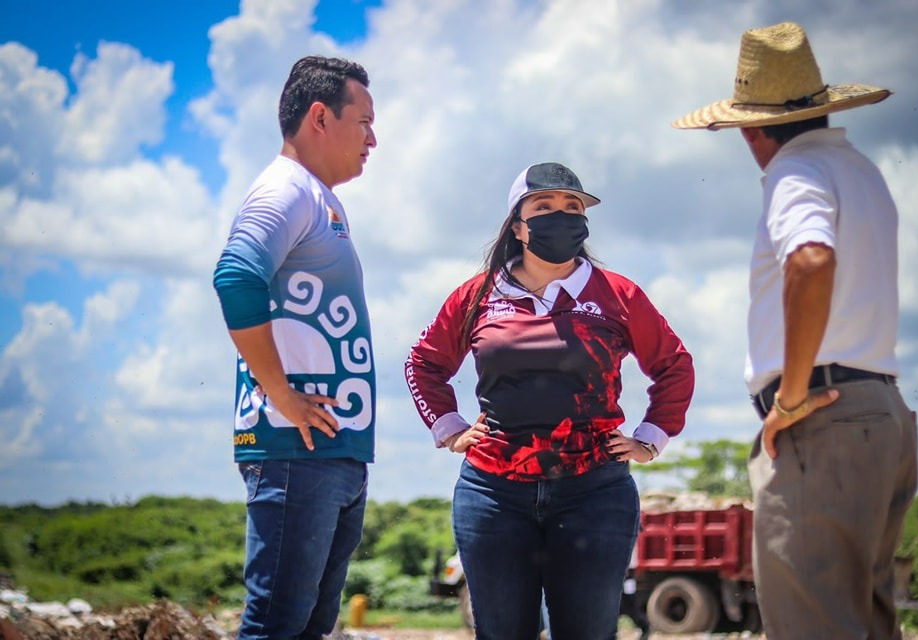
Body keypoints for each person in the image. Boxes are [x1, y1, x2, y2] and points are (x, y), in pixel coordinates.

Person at [673, 22, 918, 640]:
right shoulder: (859, 170)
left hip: (822, 417)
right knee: (866, 617)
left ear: (751, 129)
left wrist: (789, 398)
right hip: (882, 409)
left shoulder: (796, 172)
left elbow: (811, 259)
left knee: (812, 623)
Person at [404, 162, 694, 640]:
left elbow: (675, 365)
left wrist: (651, 437)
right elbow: (423, 364)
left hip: (594, 493)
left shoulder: (617, 294)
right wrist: (450, 427)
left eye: (572, 207)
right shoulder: (477, 296)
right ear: (518, 226)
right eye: (544, 207)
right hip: (494, 494)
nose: (561, 217)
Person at [212, 55, 377, 639]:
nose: (373, 139)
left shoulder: (319, 198)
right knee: (276, 626)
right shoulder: (286, 191)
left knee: (309, 629)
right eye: (364, 122)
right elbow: (235, 277)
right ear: (320, 118)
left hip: (329, 453)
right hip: (293, 450)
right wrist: (279, 393)